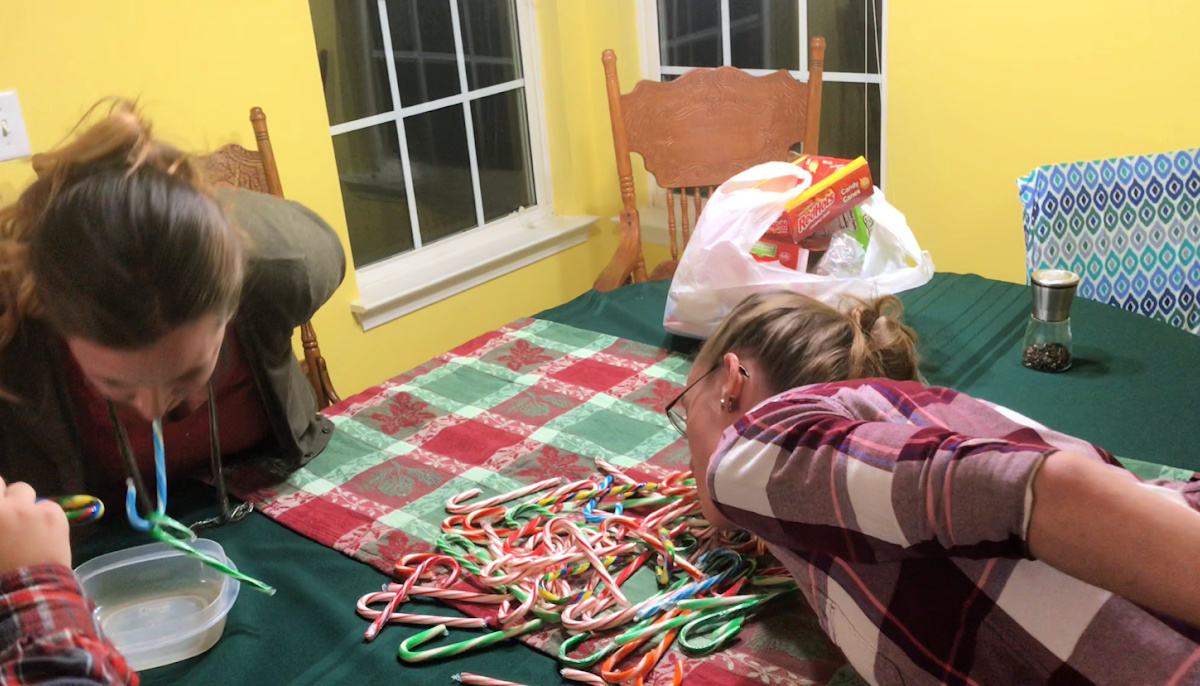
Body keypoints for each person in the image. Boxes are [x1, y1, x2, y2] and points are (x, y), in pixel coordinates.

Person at [673, 290, 1200, 685]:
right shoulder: (833, 486)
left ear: (730, 383)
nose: (688, 441)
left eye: (684, 405)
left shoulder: (751, 448)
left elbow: (1045, 490)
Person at [0, 100, 344, 680]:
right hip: (93, 557)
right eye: (114, 384)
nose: (156, 410)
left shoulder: (282, 270)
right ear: (52, 319)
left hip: (261, 505)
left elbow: (311, 243)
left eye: (188, 376)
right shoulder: (16, 333)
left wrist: (178, 202)